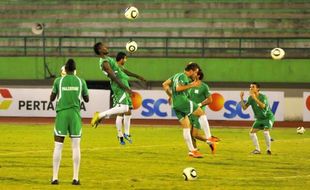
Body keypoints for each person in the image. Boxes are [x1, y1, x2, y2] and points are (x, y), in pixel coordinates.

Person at [162, 62, 217, 158]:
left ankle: (192, 150)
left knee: (186, 127)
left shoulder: (176, 75)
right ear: (191, 71)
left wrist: (171, 96)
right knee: (201, 113)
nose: (196, 74)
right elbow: (178, 88)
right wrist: (192, 85)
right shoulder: (183, 76)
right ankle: (209, 137)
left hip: (175, 104)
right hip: (182, 101)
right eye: (195, 72)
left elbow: (165, 84)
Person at [50, 59, 89, 185]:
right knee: (76, 147)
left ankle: (55, 178)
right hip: (75, 115)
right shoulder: (81, 81)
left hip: (62, 115)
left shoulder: (58, 81)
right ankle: (75, 178)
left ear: (65, 70)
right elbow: (87, 99)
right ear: (75, 70)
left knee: (58, 146)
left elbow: (52, 98)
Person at [91, 42, 133, 129]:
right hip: (118, 84)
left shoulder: (107, 59)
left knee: (125, 109)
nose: (106, 47)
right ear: (100, 50)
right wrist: (125, 88)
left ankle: (100, 115)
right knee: (125, 108)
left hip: (119, 83)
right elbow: (113, 77)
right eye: (104, 47)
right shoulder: (104, 63)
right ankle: (100, 115)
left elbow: (118, 71)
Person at [114, 52, 146, 145]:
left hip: (125, 90)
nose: (126, 60)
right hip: (120, 91)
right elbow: (116, 79)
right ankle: (119, 135)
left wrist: (138, 76)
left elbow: (127, 72)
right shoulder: (115, 68)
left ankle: (126, 133)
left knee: (128, 111)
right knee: (121, 112)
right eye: (125, 58)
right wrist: (126, 89)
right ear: (121, 59)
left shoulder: (120, 68)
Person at [188, 69, 219, 154]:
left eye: (194, 73)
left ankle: (210, 142)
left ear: (198, 76)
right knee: (189, 133)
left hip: (198, 113)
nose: (192, 74)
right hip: (189, 112)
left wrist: (200, 104)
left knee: (195, 134)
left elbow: (210, 100)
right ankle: (194, 150)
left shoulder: (204, 86)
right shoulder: (189, 85)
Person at [240, 82, 275, 155]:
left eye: (253, 87)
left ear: (258, 89)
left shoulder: (263, 97)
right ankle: (257, 150)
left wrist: (255, 98)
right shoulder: (250, 98)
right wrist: (241, 98)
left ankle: (268, 149)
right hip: (259, 119)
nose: (251, 88)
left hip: (268, 118)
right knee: (251, 133)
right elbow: (244, 108)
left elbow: (263, 106)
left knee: (265, 132)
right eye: (250, 87)